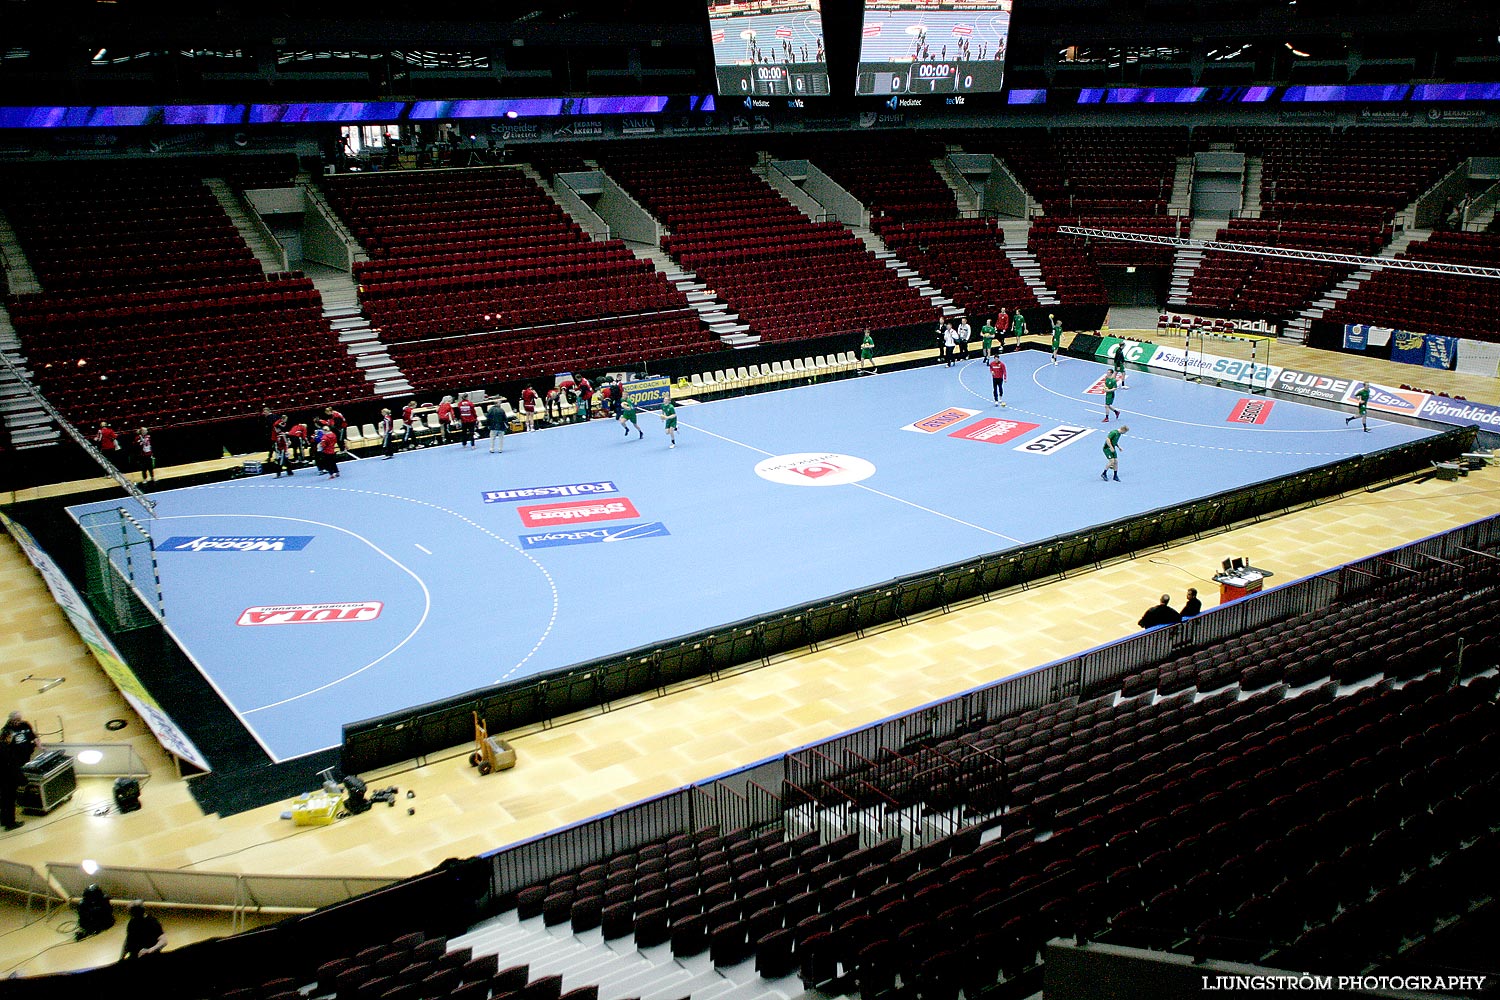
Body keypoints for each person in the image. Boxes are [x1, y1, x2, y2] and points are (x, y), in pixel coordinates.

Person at [2, 710, 37, 831]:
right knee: (9, 799)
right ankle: (10, 823)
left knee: (4, 800)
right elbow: (11, 767)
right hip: (7, 778)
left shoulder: (3, 748)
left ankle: (4, 820)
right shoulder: (7, 751)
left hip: (4, 777)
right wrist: (22, 779)